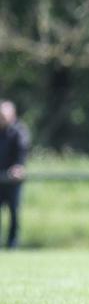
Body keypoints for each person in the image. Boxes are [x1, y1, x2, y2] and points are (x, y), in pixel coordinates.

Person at [0, 100, 29, 249]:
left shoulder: (19, 131)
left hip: (12, 181)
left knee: (14, 213)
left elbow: (22, 151)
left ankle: (12, 244)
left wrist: (19, 167)